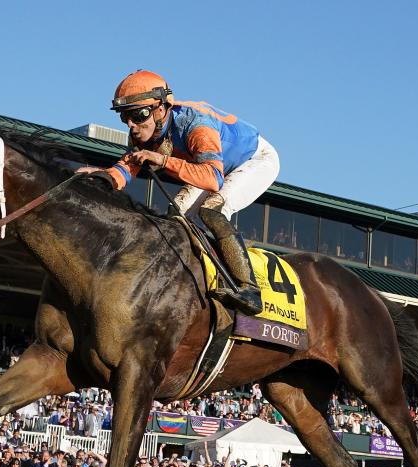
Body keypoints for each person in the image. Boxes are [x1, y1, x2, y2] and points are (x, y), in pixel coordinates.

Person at [78, 70, 280, 315]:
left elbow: (212, 179)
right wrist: (102, 177)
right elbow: (127, 168)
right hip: (212, 164)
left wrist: (162, 160)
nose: (132, 125)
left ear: (161, 109)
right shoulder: (143, 133)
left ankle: (249, 289)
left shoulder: (196, 126)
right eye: (125, 118)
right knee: (175, 217)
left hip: (254, 159)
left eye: (138, 115)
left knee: (212, 210)